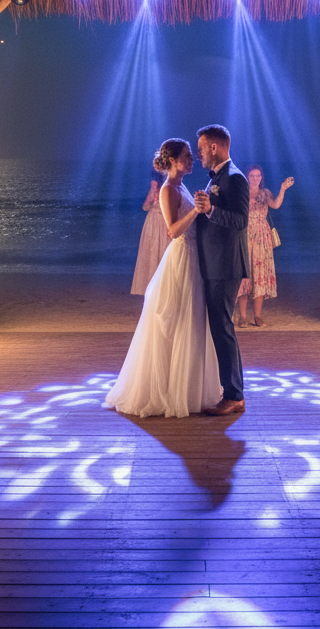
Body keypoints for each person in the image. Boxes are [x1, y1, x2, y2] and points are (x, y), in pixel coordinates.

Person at [105, 139, 222, 418]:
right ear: (172, 161)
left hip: (194, 258)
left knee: (190, 322)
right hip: (180, 258)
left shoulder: (181, 186)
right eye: (187, 156)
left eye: (192, 156)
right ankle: (169, 391)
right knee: (177, 320)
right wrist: (197, 209)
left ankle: (187, 387)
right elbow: (172, 231)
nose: (192, 159)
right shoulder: (168, 189)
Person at [194, 124, 249, 416]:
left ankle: (234, 395)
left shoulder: (236, 178)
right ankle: (231, 391)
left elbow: (241, 221)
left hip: (225, 264)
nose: (199, 153)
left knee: (223, 327)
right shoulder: (217, 178)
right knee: (219, 327)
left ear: (214, 147)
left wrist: (210, 210)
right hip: (214, 262)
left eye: (201, 148)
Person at [236, 165, 293, 328]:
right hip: (245, 234)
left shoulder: (265, 193)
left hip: (262, 235)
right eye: (252, 176)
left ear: (261, 177)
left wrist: (282, 189)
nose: (255, 178)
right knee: (244, 277)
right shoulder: (241, 193)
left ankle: (258, 316)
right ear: (247, 177)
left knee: (259, 275)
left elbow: (275, 205)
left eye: (258, 175)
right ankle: (242, 317)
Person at [130, 171, 170, 296]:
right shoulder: (156, 185)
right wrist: (153, 189)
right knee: (153, 255)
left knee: (164, 255)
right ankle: (152, 289)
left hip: (165, 223)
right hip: (154, 224)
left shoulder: (173, 185)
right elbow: (146, 207)